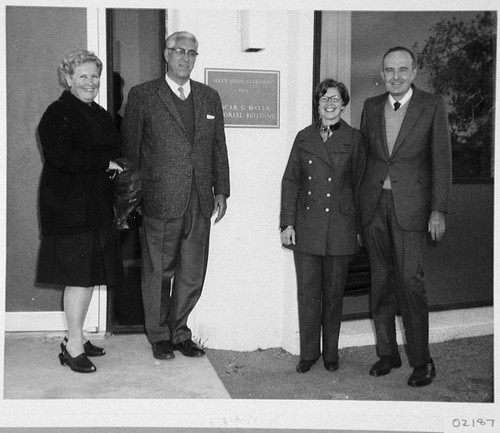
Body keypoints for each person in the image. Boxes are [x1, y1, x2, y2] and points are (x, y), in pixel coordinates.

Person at [121, 31, 230, 360]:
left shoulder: (210, 97)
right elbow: (131, 151)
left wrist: (222, 189)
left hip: (199, 198)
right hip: (160, 198)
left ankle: (180, 331)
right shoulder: (143, 95)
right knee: (159, 271)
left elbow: (218, 148)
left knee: (192, 271)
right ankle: (159, 335)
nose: (185, 57)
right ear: (165, 55)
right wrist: (132, 197)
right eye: (178, 51)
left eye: (191, 53)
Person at [358, 46, 452, 387]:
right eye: (389, 70)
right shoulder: (370, 107)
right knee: (380, 283)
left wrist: (438, 209)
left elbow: (441, 160)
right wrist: (358, 210)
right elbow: (365, 160)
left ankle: (421, 360)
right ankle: (387, 353)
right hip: (374, 208)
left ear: (414, 72)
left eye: (402, 69)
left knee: (410, 285)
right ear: (381, 74)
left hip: (411, 209)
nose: (395, 76)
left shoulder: (431, 105)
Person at [37, 49, 124, 373]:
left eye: (94, 76)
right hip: (69, 208)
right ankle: (72, 347)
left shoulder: (97, 113)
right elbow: (61, 159)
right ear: (69, 79)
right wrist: (105, 163)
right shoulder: (57, 112)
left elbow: (112, 150)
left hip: (95, 207)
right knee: (78, 278)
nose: (91, 82)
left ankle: (78, 335)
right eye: (83, 76)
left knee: (89, 277)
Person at [280, 78, 364, 373]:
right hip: (307, 226)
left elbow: (361, 185)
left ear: (344, 104)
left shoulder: (354, 138)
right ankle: (308, 353)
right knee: (308, 293)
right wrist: (287, 223)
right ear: (317, 104)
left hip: (340, 226)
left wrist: (360, 228)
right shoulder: (304, 137)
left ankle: (330, 353)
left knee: (333, 295)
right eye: (324, 98)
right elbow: (291, 181)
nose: (329, 103)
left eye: (335, 98)